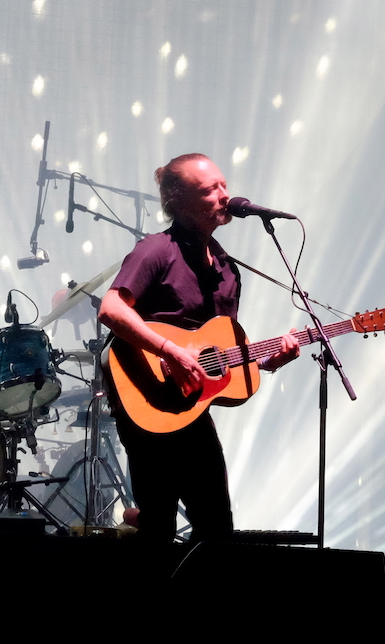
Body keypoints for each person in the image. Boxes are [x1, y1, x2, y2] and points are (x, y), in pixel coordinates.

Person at [98, 153, 298, 541]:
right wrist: (170, 351)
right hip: (147, 396)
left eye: (224, 185)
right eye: (210, 190)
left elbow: (221, 349)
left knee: (216, 530)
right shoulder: (157, 250)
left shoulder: (226, 269)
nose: (225, 195)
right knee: (159, 531)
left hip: (190, 410)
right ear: (178, 201)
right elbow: (111, 309)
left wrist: (269, 361)